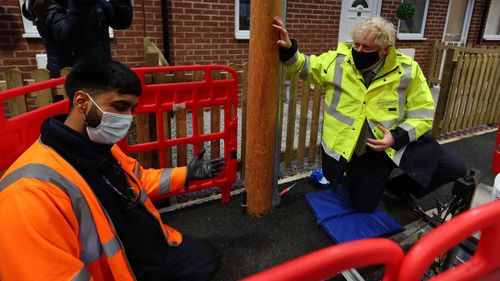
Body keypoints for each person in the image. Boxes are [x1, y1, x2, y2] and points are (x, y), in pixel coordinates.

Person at [0, 60, 224, 280]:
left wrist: (187, 173)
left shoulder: (99, 147)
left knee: (208, 258)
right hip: (116, 272)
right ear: (81, 102)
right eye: (119, 107)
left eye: (131, 109)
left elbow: (138, 180)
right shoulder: (29, 191)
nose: (127, 118)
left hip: (147, 251)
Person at [273, 16, 466, 212]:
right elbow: (303, 65)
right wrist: (289, 48)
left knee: (455, 168)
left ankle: (399, 187)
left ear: (385, 50)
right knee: (363, 206)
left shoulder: (408, 70)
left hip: (400, 142)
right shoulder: (337, 61)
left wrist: (396, 137)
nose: (358, 51)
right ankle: (371, 183)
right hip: (365, 153)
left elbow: (423, 114)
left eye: (367, 48)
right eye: (356, 44)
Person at [22, 0, 133, 78]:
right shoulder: (46, 4)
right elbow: (70, 37)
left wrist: (120, 2)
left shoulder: (96, 3)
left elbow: (121, 22)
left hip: (100, 74)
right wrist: (80, 3)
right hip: (68, 77)